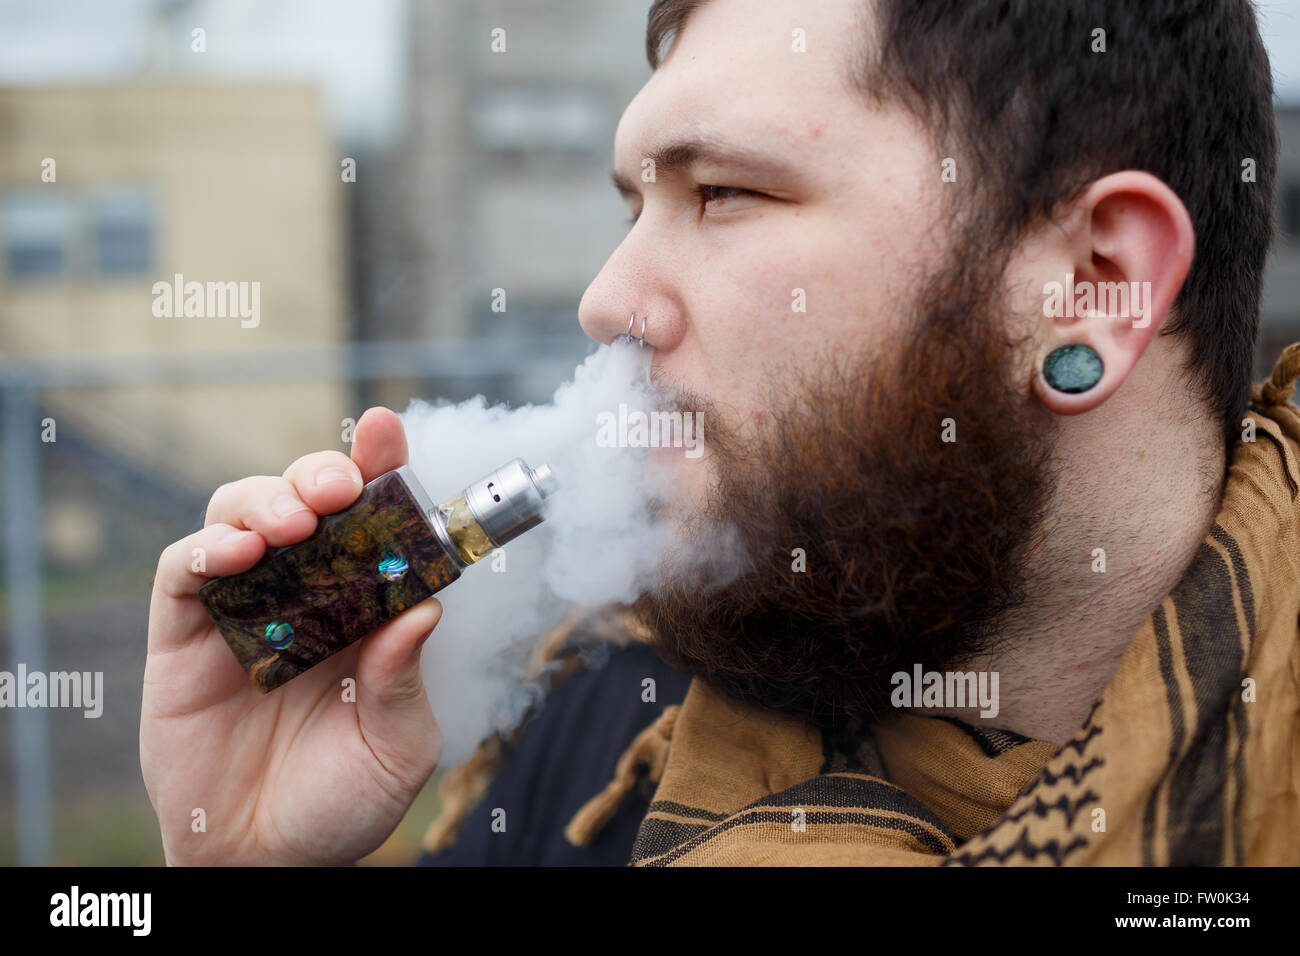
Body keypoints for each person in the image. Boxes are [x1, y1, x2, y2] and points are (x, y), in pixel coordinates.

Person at [142, 0, 1297, 866]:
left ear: (1091, 285)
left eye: (724, 193)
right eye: (633, 202)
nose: (605, 300)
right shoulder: (595, 735)